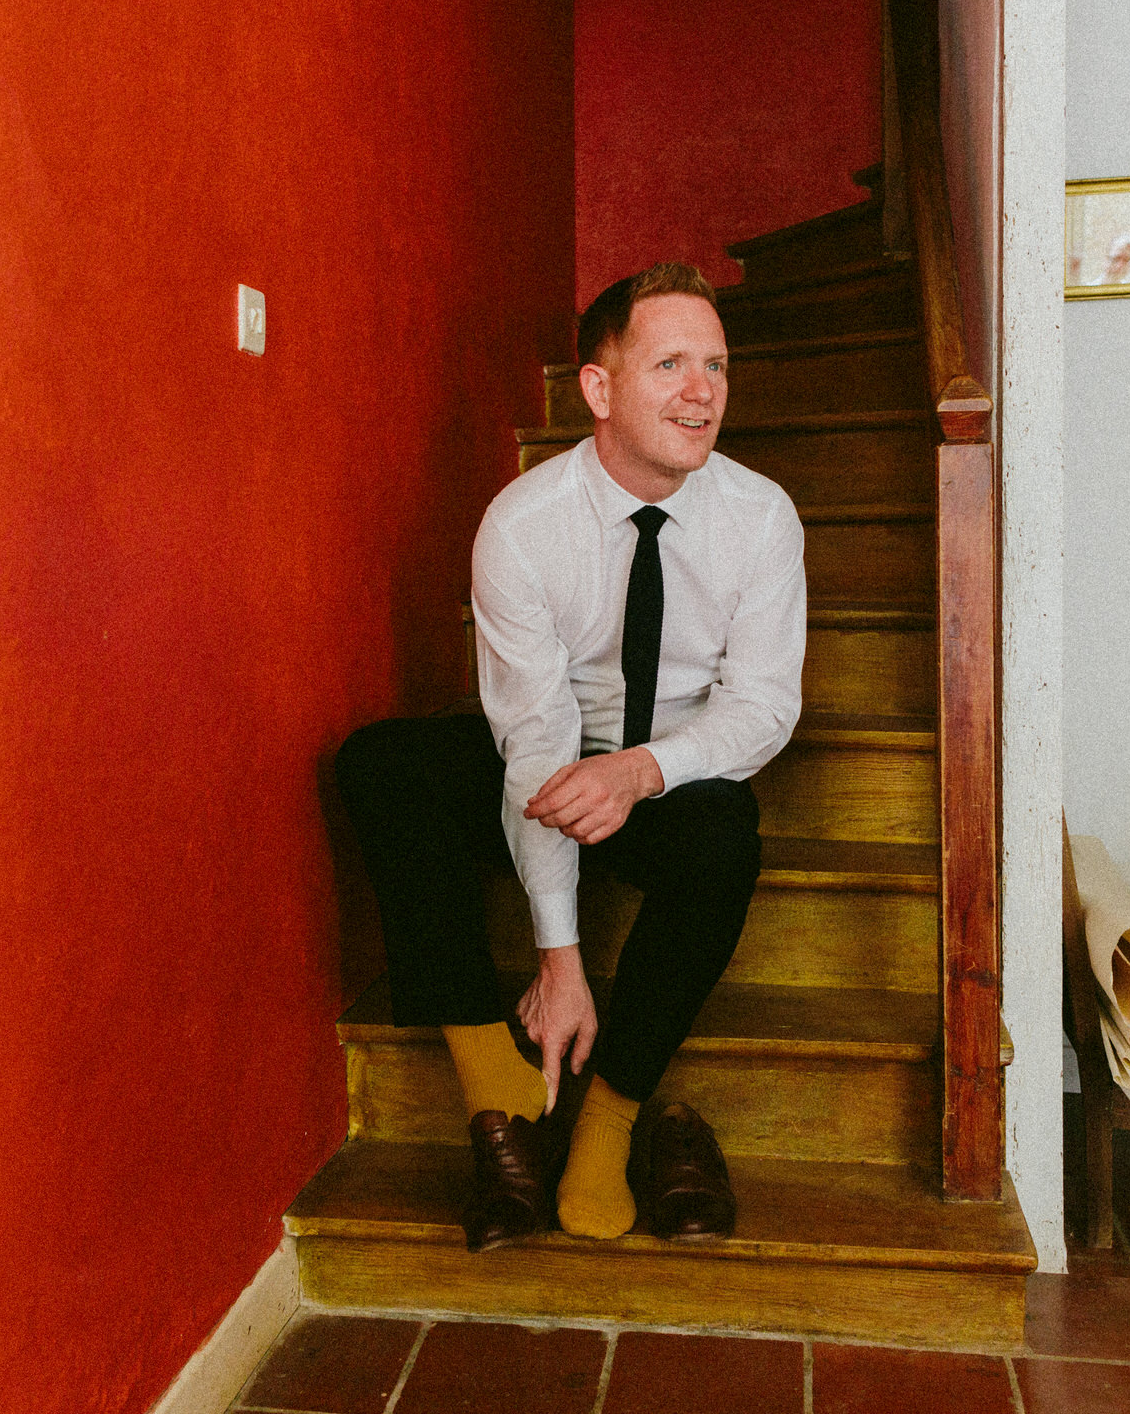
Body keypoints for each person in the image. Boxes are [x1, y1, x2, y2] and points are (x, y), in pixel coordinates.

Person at [335, 260, 806, 1251]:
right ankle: (495, 1084)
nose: (703, 389)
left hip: (665, 775)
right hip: (549, 760)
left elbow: (763, 707)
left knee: (726, 830)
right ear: (598, 388)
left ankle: (610, 1117)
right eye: (670, 362)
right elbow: (534, 744)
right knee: (384, 763)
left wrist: (642, 770)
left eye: (716, 364)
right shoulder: (523, 525)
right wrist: (560, 956)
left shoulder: (760, 516)